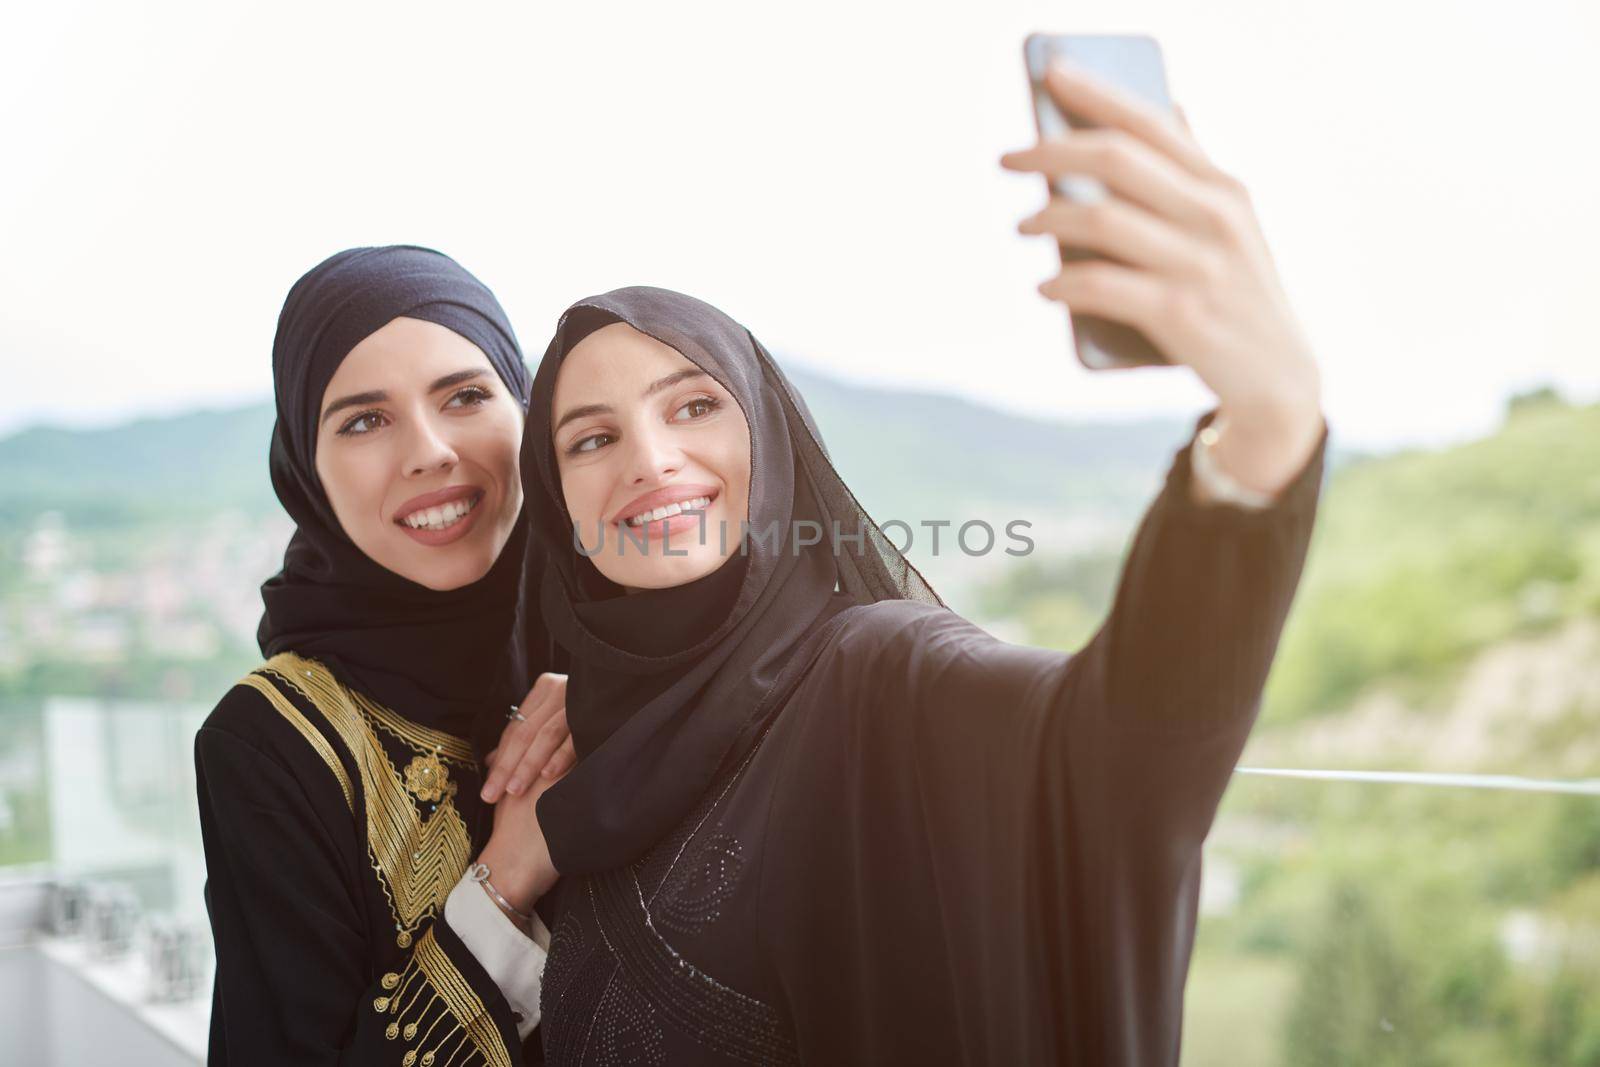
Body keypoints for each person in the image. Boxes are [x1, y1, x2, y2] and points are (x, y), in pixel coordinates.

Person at [489, 62, 1329, 1065]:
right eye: (589, 439)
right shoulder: (569, 756)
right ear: (563, 512)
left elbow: (1119, 752)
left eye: (694, 405)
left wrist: (1262, 431)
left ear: (771, 441)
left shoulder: (876, 676)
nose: (650, 459)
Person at [195, 245, 573, 1065]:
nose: (430, 450)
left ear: (526, 409)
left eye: (466, 395)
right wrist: (506, 879)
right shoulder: (271, 745)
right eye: (365, 419)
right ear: (307, 471)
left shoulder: (611, 643)